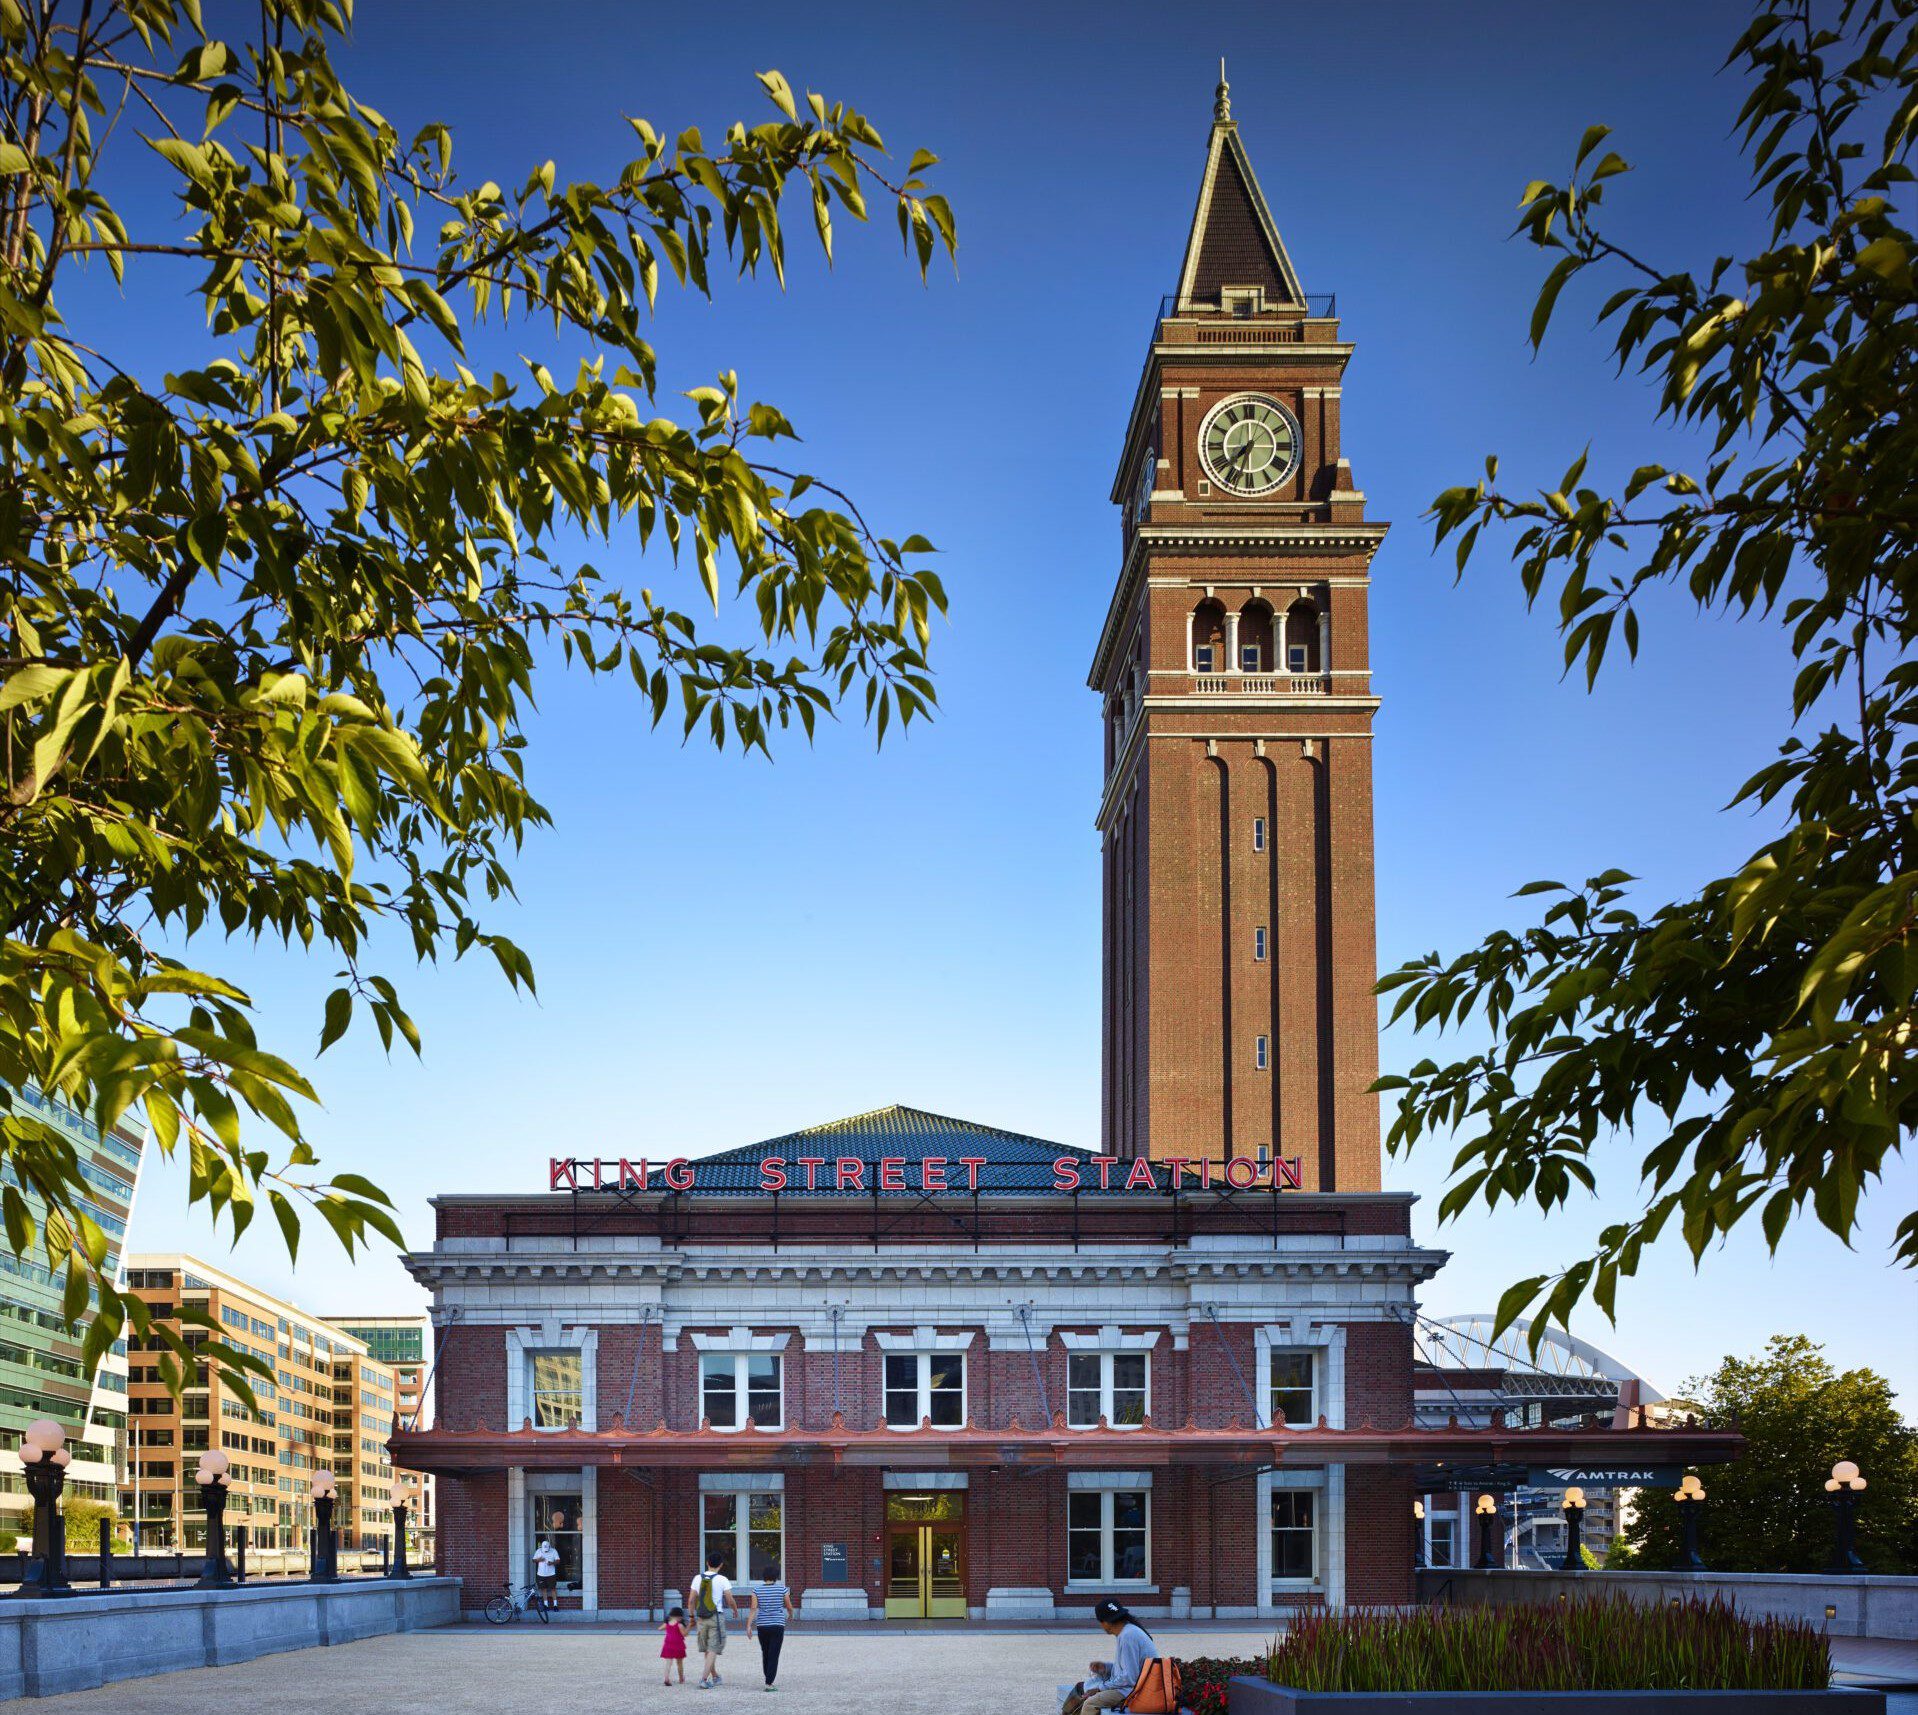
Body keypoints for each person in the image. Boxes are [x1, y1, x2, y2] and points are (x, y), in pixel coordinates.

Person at [1062, 1599, 1159, 1715]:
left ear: (1105, 1622)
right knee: (1082, 1687)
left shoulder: (1128, 1636)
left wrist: (1100, 1688)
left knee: (1090, 1704)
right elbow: (1130, 1669)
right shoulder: (1128, 1631)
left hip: (1134, 1691)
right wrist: (1106, 1668)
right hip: (1134, 1686)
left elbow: (1129, 1677)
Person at [689, 1551, 738, 1689]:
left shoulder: (697, 1578)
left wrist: (692, 1616)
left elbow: (691, 1599)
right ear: (721, 1565)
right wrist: (734, 1609)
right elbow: (729, 1599)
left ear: (707, 1563)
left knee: (708, 1649)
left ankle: (715, 1676)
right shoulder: (722, 1579)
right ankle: (704, 1679)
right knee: (713, 1648)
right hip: (716, 1617)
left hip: (701, 1617)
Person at [744, 1558, 792, 1692]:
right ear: (776, 1576)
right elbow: (789, 1606)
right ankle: (769, 1682)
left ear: (764, 1576)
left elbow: (753, 1609)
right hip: (777, 1625)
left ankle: (768, 1677)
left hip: (762, 1625)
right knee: (774, 1653)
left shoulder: (756, 1590)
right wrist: (791, 1614)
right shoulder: (783, 1590)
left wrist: (748, 1626)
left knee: (765, 1652)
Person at [660, 1605, 691, 1686]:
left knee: (668, 1663)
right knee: (679, 1663)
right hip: (678, 1645)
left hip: (668, 1645)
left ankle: (666, 1678)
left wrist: (667, 1626)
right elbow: (685, 1634)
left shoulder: (667, 1624)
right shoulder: (679, 1625)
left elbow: (659, 1628)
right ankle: (681, 1678)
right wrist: (689, 1627)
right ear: (679, 1616)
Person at [531, 1536, 560, 1611]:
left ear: (549, 1547)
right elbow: (533, 1560)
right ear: (542, 1547)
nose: (546, 1551)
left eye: (547, 1549)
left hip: (551, 1574)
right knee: (543, 1589)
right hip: (541, 1574)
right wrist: (539, 1559)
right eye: (545, 1550)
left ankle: (555, 1605)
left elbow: (558, 1560)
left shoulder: (553, 1551)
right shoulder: (538, 1551)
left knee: (553, 1589)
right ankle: (546, 1605)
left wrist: (552, 1563)